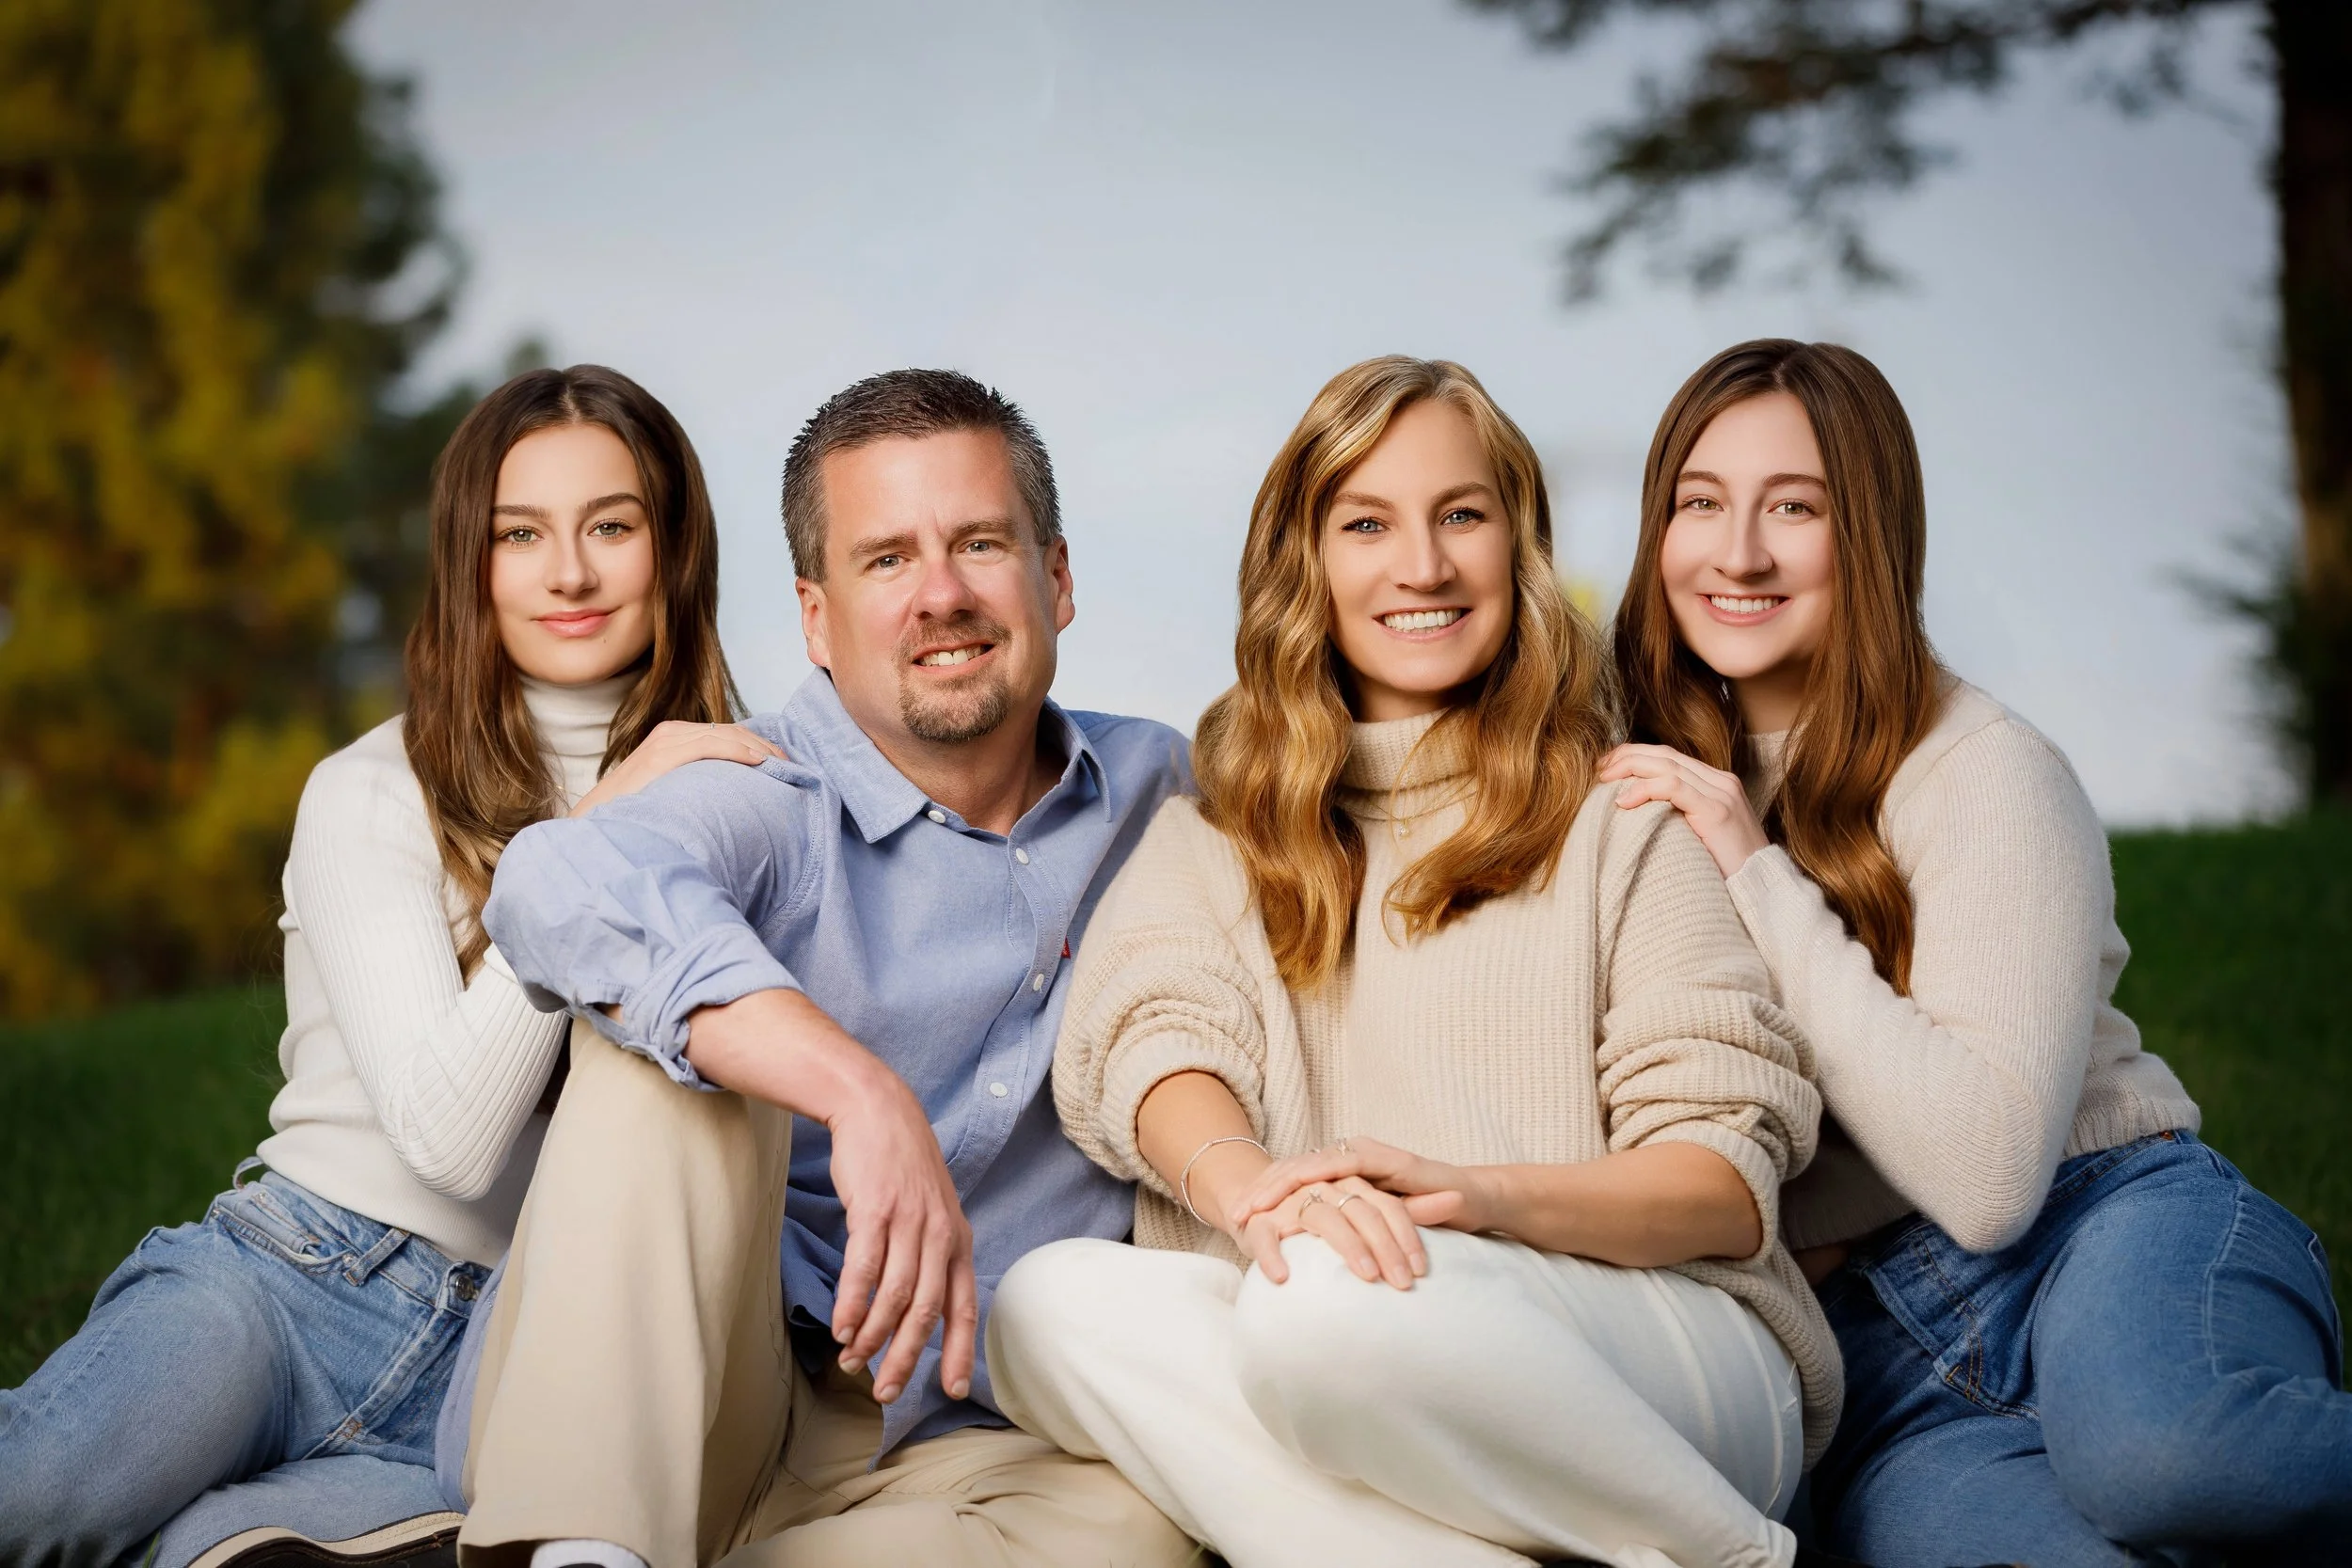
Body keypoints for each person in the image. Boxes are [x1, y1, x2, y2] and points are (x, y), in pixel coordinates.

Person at [984, 356, 1839, 1568]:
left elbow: (1726, 1182)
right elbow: (1150, 1040)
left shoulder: (1618, 819)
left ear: (1516, 544)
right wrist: (1256, 1194)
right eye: (1367, 523)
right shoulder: (1216, 833)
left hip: (1666, 1357)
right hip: (1331, 1331)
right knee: (1046, 1304)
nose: (1423, 566)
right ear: (1307, 562)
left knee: (1319, 1310)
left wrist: (1475, 1200)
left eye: (1461, 516)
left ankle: (1735, 1548)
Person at [0, 363, 775, 1568]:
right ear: (471, 561)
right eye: (520, 534)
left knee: (207, 1554)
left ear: (674, 550)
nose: (567, 572)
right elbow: (449, 1140)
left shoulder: (737, 800)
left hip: (512, 1359)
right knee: (37, 1497)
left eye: (610, 527)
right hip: (291, 1286)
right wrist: (594, 847)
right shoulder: (372, 790)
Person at [1598, 338, 2352, 1566]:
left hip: (2094, 1229)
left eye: (1795, 506)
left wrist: (1755, 870)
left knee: (2173, 1455)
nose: (1737, 552)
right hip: (1864, 1367)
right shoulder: (1625, 766)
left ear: (1877, 532)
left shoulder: (1983, 767)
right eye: (1700, 502)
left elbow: (1993, 1176)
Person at [446, 368, 1195, 1568]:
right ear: (814, 613)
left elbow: (1376, 819)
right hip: (696, 1399)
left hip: (977, 1441)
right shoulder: (763, 787)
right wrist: (850, 1080)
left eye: (980, 543)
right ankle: (590, 1541)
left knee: (1153, 1527)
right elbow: (553, 883)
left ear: (1055, 578)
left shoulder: (1165, 792)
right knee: (672, 1053)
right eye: (886, 558)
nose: (940, 594)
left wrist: (1585, 776)